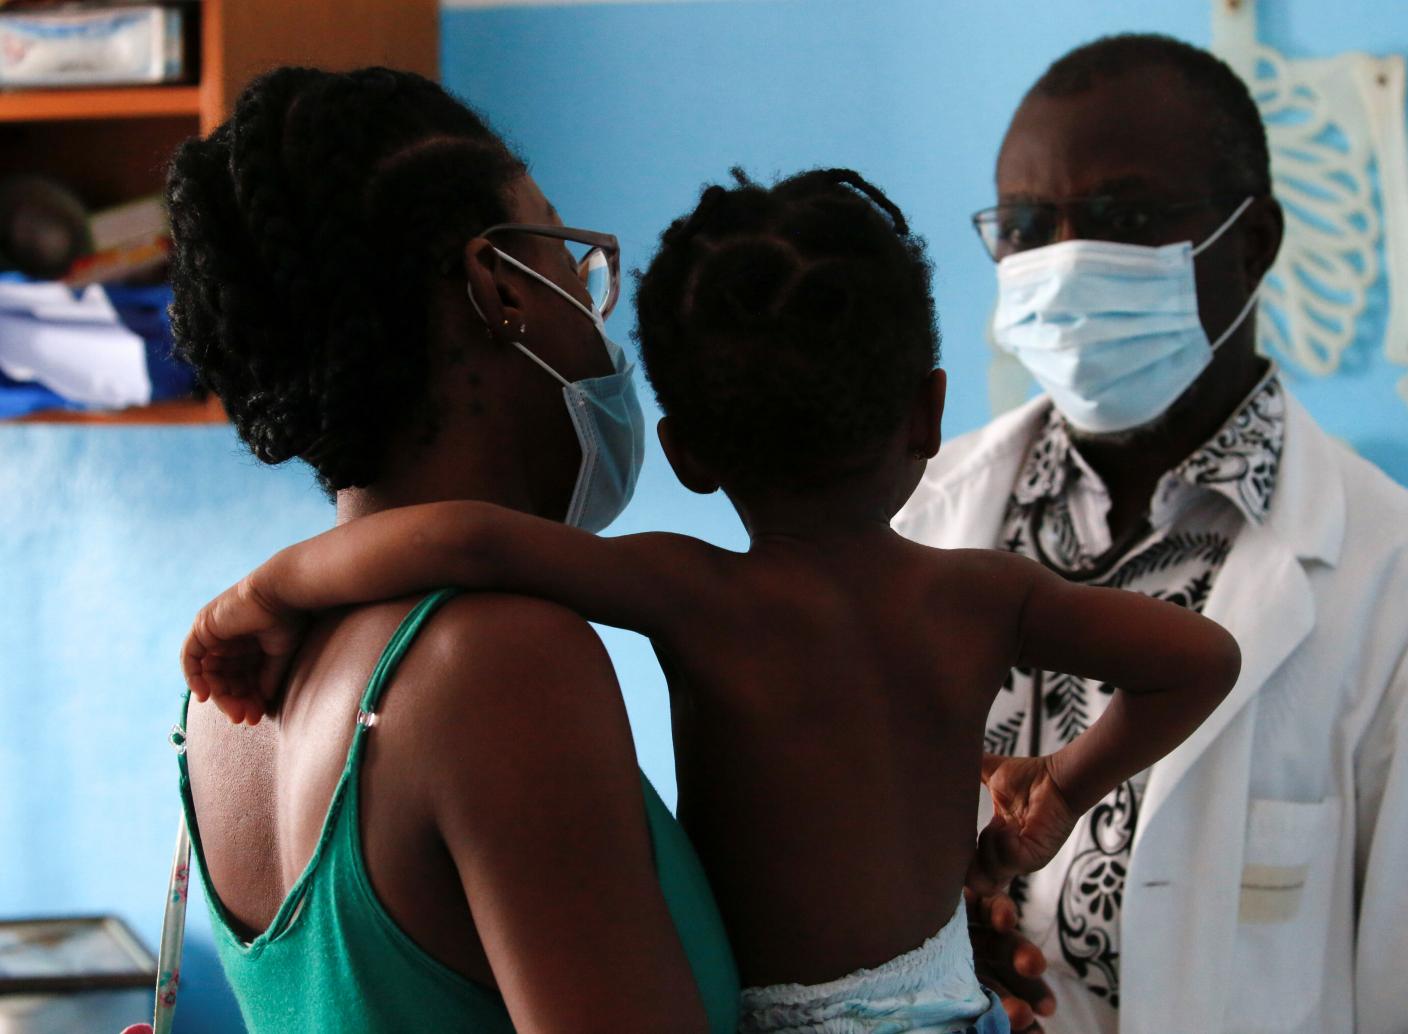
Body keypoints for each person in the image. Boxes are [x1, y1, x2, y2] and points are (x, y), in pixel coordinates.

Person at [183, 167, 1242, 1034]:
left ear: (685, 450)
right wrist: (1056, 785)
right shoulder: (983, 594)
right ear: (928, 411)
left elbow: (462, 537)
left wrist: (265, 589)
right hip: (957, 1009)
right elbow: (1200, 659)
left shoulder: (690, 592)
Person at [900, 33, 1408, 1034]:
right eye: (1023, 224)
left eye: (1122, 219)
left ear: (1252, 242)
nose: (1058, 262)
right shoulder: (921, 517)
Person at [165, 66, 741, 1033]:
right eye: (566, 258)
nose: (590, 305)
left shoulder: (224, 706)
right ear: (500, 285)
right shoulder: (495, 665)